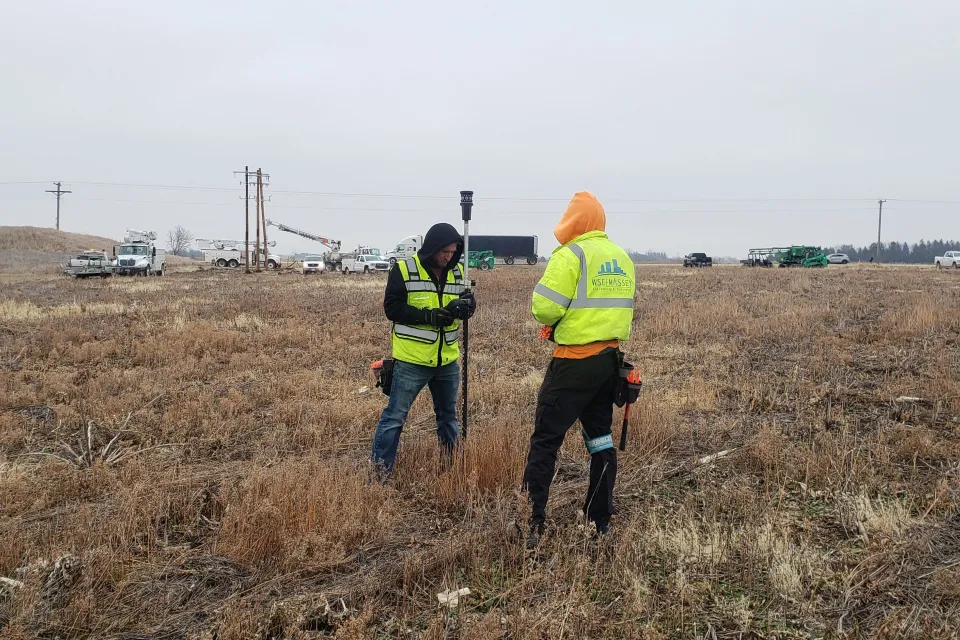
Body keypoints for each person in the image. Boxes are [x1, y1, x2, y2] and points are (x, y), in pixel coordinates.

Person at [521, 191, 636, 546]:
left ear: (573, 221)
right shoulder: (622, 257)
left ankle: (531, 523)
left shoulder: (571, 255)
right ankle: (599, 520)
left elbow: (543, 309)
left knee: (546, 440)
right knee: (601, 440)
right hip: (608, 364)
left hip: (573, 365)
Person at [371, 222, 477, 478]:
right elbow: (392, 309)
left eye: (453, 252)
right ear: (432, 248)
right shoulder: (404, 270)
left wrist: (467, 307)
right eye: (444, 252)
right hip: (412, 361)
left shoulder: (458, 272)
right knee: (395, 418)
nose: (448, 257)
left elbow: (470, 304)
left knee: (449, 419)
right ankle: (379, 476)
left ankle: (452, 471)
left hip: (447, 361)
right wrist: (428, 316)